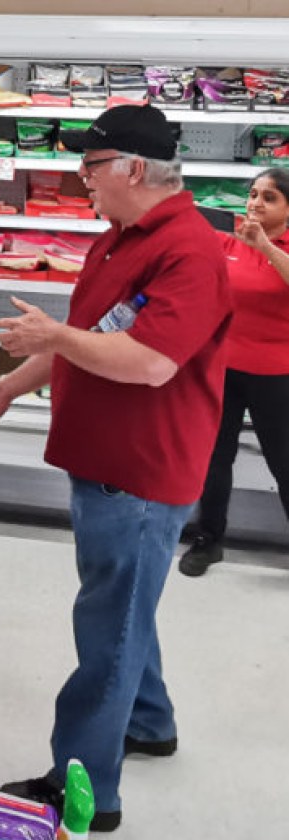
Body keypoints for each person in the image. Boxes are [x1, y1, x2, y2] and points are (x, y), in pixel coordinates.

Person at [0, 105, 232, 832]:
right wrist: (10, 383)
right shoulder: (119, 239)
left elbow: (148, 362)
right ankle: (148, 722)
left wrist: (52, 335)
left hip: (140, 474)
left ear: (133, 169)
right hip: (105, 466)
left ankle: (85, 790)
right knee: (123, 606)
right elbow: (89, 338)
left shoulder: (189, 253)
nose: (81, 180)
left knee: (106, 630)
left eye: (90, 166)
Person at [180, 168, 289, 576]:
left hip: (277, 376)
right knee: (213, 458)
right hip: (222, 369)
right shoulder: (226, 241)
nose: (257, 202)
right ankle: (209, 539)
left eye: (270, 197)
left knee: (284, 463)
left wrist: (265, 246)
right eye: (253, 194)